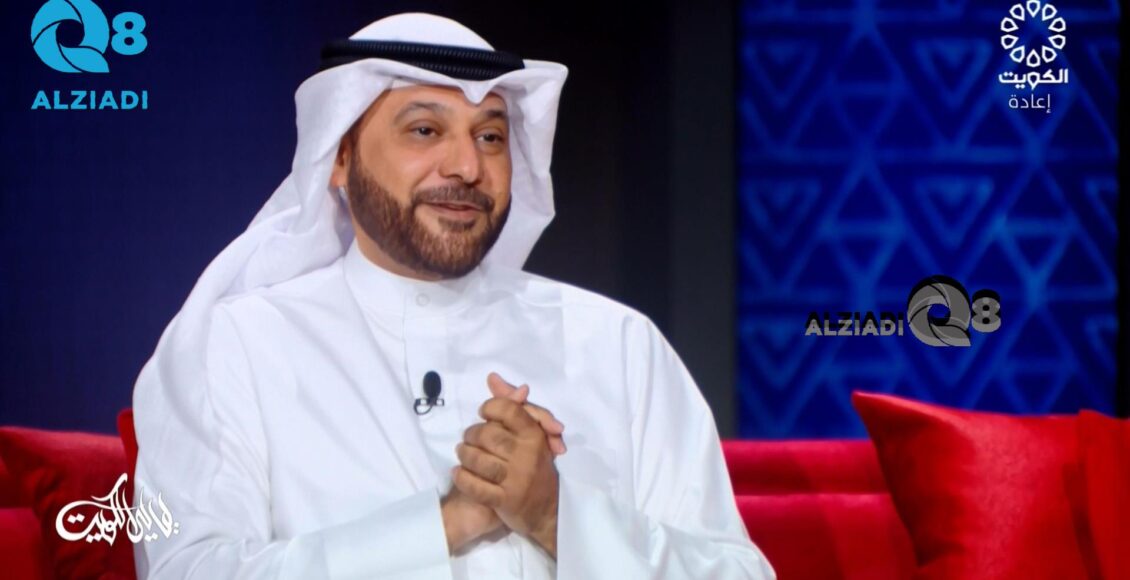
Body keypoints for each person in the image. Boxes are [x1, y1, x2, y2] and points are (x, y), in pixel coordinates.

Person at [131, 12, 775, 580]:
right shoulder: (235, 348)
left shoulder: (618, 346)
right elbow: (186, 569)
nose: (467, 166)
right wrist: (446, 524)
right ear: (340, 157)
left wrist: (555, 515)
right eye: (424, 130)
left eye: (490, 136)